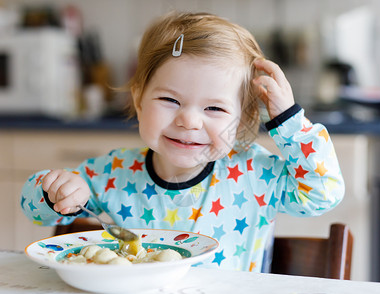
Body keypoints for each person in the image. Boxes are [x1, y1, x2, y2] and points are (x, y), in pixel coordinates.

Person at [21, 12, 345, 272]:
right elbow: (35, 211)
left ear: (245, 119)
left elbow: (323, 193)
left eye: (214, 108)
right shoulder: (112, 173)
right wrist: (55, 191)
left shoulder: (255, 174)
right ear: (139, 101)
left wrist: (289, 123)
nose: (189, 121)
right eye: (170, 100)